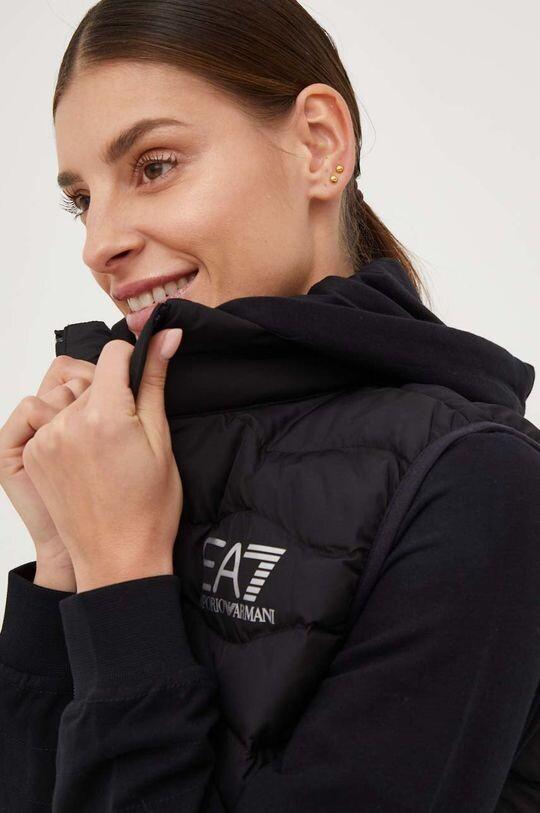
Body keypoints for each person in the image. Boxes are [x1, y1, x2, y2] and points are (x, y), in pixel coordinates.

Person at [0, 1, 539, 810]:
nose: (97, 243)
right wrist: (62, 562)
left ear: (319, 145)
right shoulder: (127, 457)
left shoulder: (480, 484)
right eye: (82, 198)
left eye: (153, 165)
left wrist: (123, 575)